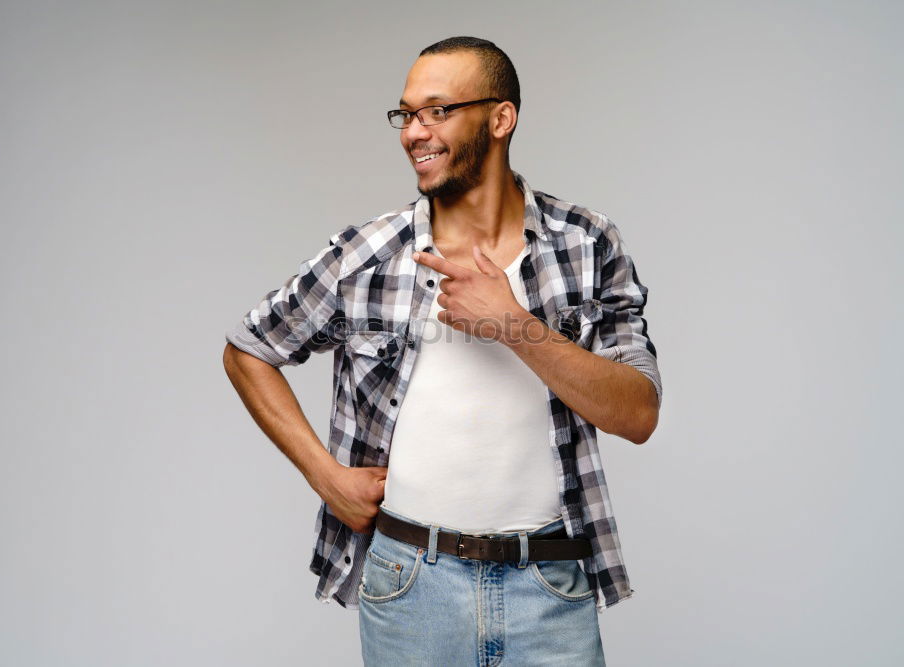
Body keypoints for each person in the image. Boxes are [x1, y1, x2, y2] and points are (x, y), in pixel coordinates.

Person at [223, 36, 662, 665]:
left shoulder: (586, 244)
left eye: (437, 111)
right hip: (410, 586)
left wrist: (514, 324)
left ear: (500, 119)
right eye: (406, 114)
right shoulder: (367, 253)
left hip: (550, 582)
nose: (413, 132)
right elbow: (248, 349)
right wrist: (327, 478)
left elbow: (638, 414)